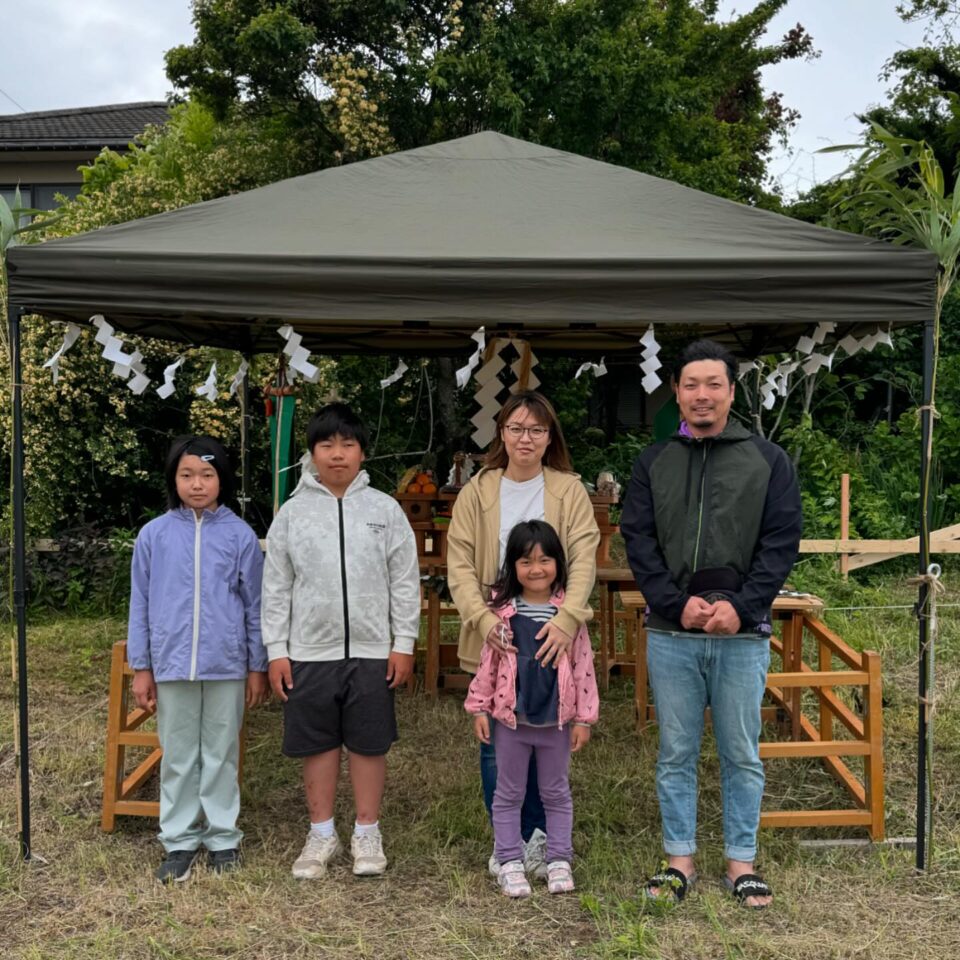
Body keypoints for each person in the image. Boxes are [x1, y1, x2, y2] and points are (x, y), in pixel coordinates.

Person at [620, 339, 803, 909]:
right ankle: (680, 859)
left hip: (741, 636)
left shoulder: (767, 460)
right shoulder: (655, 462)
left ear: (731, 391)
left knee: (740, 751)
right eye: (691, 385)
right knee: (675, 749)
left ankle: (740, 862)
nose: (702, 395)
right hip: (672, 634)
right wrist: (675, 605)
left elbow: (780, 543)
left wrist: (742, 608)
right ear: (675, 392)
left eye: (714, 384)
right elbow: (639, 540)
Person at [261, 402, 420, 880]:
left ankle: (367, 831)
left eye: (347, 444)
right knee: (319, 742)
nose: (337, 454)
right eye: (326, 444)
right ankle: (321, 832)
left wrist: (404, 642)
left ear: (362, 453)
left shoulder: (385, 510)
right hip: (309, 651)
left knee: (369, 743)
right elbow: (276, 586)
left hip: (373, 651)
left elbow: (405, 580)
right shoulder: (292, 513)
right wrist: (277, 651)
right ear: (311, 453)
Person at [447, 390, 600, 880]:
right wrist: (484, 618)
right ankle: (508, 842)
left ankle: (540, 837)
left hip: (553, 631)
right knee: (499, 739)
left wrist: (569, 618)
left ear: (549, 436)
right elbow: (459, 564)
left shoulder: (568, 490)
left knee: (547, 738)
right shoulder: (479, 490)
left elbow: (583, 558)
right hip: (497, 632)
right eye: (516, 428)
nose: (525, 438)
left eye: (536, 429)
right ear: (501, 434)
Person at [128, 436, 268, 883]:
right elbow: (141, 604)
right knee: (180, 754)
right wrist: (142, 666)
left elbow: (255, 605)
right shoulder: (154, 535)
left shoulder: (239, 535)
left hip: (226, 663)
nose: (197, 484)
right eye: (187, 474)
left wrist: (257, 665)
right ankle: (179, 840)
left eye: (207, 475)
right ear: (174, 478)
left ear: (221, 479)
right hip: (170, 664)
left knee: (221, 751)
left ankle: (223, 836)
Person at [465, 520, 599, 897]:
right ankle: (509, 861)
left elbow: (583, 666)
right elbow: (487, 663)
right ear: (513, 567)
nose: (536, 568)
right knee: (508, 793)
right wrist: (479, 708)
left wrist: (584, 718)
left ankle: (558, 859)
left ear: (558, 563)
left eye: (545, 560)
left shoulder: (569, 616)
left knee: (556, 792)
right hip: (511, 722)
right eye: (526, 562)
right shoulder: (502, 614)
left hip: (556, 724)